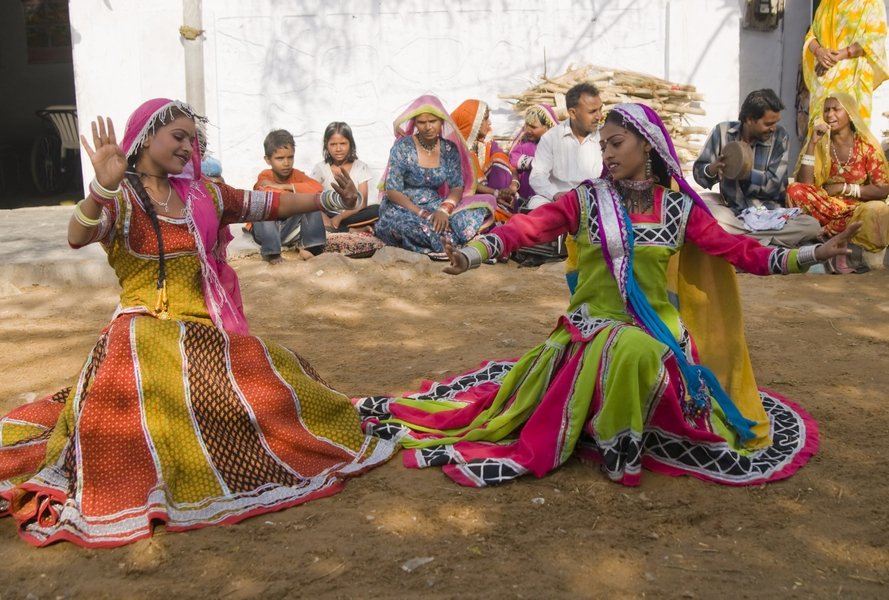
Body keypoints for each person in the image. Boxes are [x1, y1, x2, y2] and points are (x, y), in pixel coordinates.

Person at [354, 102, 856, 489]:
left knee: (642, 350)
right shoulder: (587, 198)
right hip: (591, 329)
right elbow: (529, 227)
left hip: (662, 334)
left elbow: (742, 253)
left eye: (617, 144)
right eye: (604, 146)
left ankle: (622, 431)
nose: (608, 154)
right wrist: (475, 253)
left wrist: (813, 251)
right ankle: (621, 445)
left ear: (646, 145)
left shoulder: (680, 208)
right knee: (626, 349)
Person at [0, 99, 394, 547]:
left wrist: (331, 198)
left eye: (194, 140)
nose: (189, 148)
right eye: (178, 137)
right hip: (140, 336)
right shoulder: (122, 195)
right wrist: (99, 191)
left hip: (204, 336)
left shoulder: (203, 194)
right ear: (147, 136)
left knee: (284, 384)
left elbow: (270, 205)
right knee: (146, 425)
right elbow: (77, 236)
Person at [693, 89, 821, 247]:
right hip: (734, 214)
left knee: (811, 226)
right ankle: (768, 245)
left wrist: (744, 172)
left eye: (775, 122)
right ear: (749, 119)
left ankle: (740, 244)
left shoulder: (780, 136)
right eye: (768, 124)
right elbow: (699, 172)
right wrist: (712, 169)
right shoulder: (723, 132)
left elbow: (775, 184)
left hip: (769, 214)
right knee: (706, 213)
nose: (773, 128)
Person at [374, 95, 497, 256]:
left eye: (433, 121)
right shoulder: (403, 147)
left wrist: (444, 210)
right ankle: (447, 241)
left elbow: (456, 187)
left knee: (484, 204)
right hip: (402, 206)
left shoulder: (449, 149)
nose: (428, 127)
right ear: (415, 123)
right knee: (406, 226)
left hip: (435, 204)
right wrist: (421, 213)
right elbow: (392, 190)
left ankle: (444, 239)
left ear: (442, 121)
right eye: (422, 122)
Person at [787, 93, 889, 272]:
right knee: (794, 190)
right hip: (827, 206)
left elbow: (883, 190)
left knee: (878, 210)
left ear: (849, 113)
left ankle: (828, 236)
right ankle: (831, 236)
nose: (829, 115)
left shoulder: (867, 146)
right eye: (826, 110)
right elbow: (805, 184)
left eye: (836, 109)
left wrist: (845, 188)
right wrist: (812, 143)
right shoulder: (821, 143)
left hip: (855, 211)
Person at [529, 82, 604, 289]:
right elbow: (537, 177)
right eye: (592, 111)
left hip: (593, 200)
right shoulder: (551, 138)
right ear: (572, 112)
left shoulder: (604, 138)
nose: (599, 116)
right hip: (559, 201)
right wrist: (555, 195)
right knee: (536, 205)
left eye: (600, 109)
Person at [801, 0, 888, 127]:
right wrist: (819, 51)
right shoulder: (827, 3)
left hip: (853, 80)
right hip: (823, 81)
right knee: (820, 134)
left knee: (852, 133)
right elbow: (811, 35)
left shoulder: (871, 3)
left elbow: (874, 39)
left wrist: (841, 54)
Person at [251, 129, 326, 264]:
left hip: (287, 229)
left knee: (311, 202)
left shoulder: (296, 174)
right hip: (265, 232)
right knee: (267, 204)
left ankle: (312, 248)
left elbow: (318, 188)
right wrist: (295, 192)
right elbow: (268, 193)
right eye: (280, 158)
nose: (286, 163)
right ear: (268, 160)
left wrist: (284, 186)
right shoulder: (265, 176)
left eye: (290, 157)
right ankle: (272, 253)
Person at [450, 99, 519, 220]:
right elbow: (468, 184)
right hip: (468, 198)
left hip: (498, 195)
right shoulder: (455, 148)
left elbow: (510, 167)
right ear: (472, 122)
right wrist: (496, 193)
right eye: (486, 119)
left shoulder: (488, 143)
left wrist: (512, 187)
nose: (490, 123)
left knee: (499, 159)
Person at [310, 121, 379, 232]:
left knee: (377, 209)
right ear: (326, 145)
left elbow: (362, 203)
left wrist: (340, 217)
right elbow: (312, 197)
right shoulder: (320, 168)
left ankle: (341, 228)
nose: (338, 149)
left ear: (350, 143)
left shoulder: (360, 167)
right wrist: (329, 217)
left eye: (343, 143)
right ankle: (354, 230)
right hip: (329, 214)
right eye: (333, 144)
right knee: (312, 213)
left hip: (352, 214)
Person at [508, 103, 560, 204]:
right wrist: (535, 162)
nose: (528, 130)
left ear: (548, 127)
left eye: (533, 127)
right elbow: (513, 158)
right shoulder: (524, 141)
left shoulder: (559, 144)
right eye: (526, 124)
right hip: (524, 194)